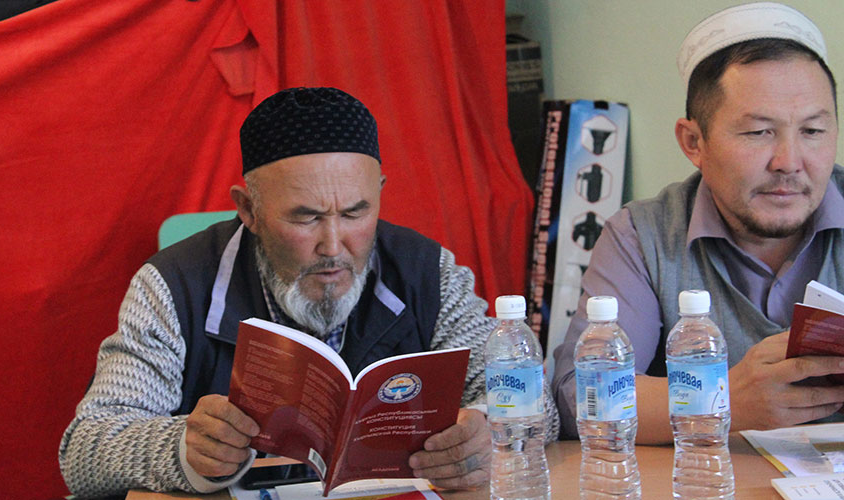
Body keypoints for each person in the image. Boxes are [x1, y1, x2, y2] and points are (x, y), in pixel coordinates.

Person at [59, 87, 560, 497]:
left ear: (381, 192)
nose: (334, 245)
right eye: (307, 216)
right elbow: (84, 449)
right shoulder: (175, 285)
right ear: (248, 210)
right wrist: (182, 448)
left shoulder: (428, 272)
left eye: (356, 213)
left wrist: (485, 434)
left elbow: (538, 409)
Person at [553, 2, 844, 443]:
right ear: (694, 142)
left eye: (814, 131)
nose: (789, 162)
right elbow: (581, 395)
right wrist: (722, 399)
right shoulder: (643, 236)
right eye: (758, 132)